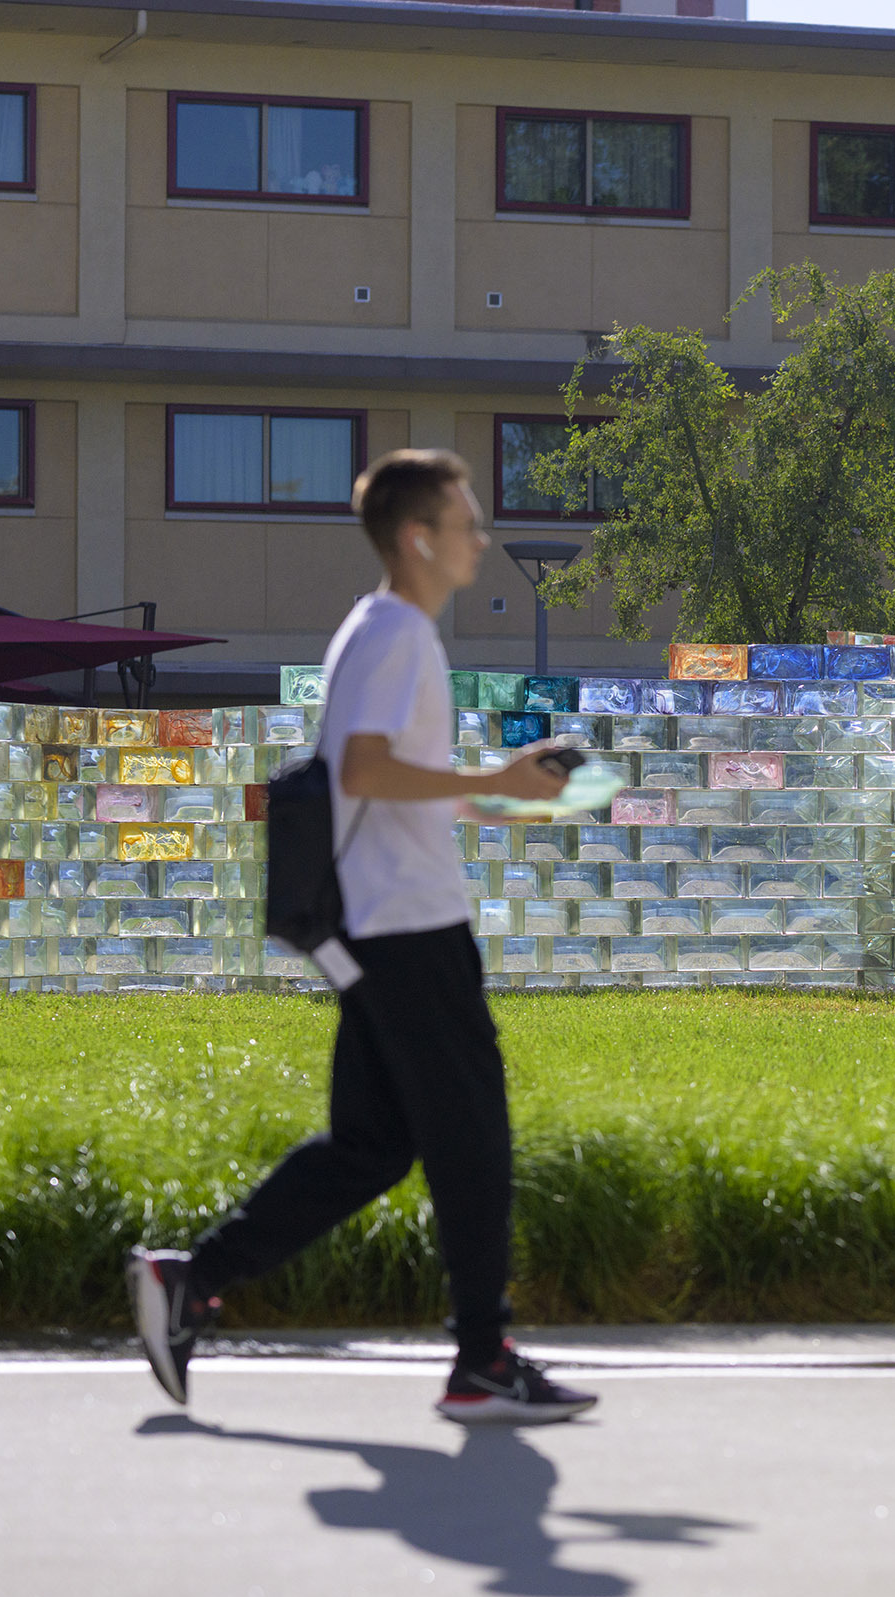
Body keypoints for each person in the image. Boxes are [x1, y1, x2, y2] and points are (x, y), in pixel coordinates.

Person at [126, 448, 596, 1427]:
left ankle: (191, 1277)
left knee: (373, 1145)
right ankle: (481, 1359)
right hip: (411, 931)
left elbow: (385, 779)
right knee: (473, 1141)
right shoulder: (400, 635)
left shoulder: (377, 629)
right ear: (419, 537)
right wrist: (500, 782)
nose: (482, 536)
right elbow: (369, 771)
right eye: (467, 520)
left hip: (382, 921)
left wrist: (496, 796)